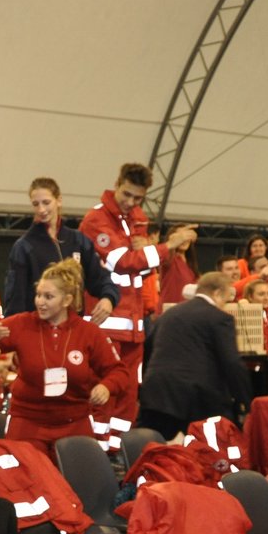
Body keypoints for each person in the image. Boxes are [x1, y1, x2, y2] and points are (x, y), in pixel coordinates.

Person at [78, 163, 197, 451]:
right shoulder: (97, 220)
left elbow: (141, 269)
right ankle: (93, 453)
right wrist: (168, 246)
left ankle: (119, 454)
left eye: (137, 198)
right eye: (127, 195)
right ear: (117, 184)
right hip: (105, 323)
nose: (131, 202)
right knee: (101, 393)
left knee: (128, 395)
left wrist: (145, 252)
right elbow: (124, 262)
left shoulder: (135, 219)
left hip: (133, 325)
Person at [0, 259, 127, 459]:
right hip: (27, 423)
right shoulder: (21, 324)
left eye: (48, 296)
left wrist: (106, 386)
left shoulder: (89, 333)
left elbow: (118, 371)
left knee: (76, 483)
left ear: (67, 300)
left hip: (74, 423)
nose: (40, 302)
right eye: (38, 295)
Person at [136, 272, 253, 438]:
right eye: (226, 301)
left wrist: (145, 390)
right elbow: (231, 363)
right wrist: (246, 403)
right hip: (196, 398)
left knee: (153, 451)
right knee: (212, 451)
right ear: (217, 293)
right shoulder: (219, 318)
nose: (226, 306)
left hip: (156, 393)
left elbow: (148, 353)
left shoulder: (167, 315)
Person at [3, 177, 117, 318]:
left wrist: (108, 298)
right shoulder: (24, 247)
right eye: (35, 204)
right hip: (38, 331)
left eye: (46, 202)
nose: (41, 209)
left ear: (59, 200)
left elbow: (100, 278)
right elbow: (15, 300)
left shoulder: (78, 241)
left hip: (73, 330)